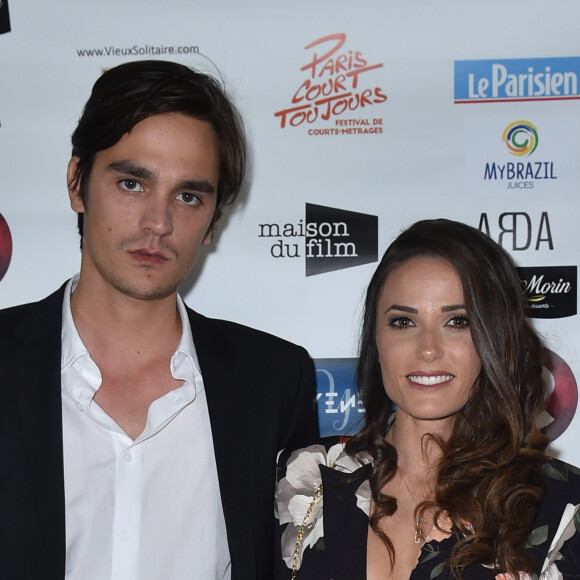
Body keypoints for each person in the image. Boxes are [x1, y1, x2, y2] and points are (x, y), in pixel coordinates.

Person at [0, 60, 318, 580]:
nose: (159, 223)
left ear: (213, 221)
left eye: (188, 196)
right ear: (77, 183)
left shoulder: (275, 381)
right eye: (132, 183)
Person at [276, 219, 580, 579]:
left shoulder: (559, 502)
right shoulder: (305, 477)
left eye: (458, 321)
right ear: (376, 340)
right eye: (403, 322)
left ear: (496, 338)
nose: (428, 349)